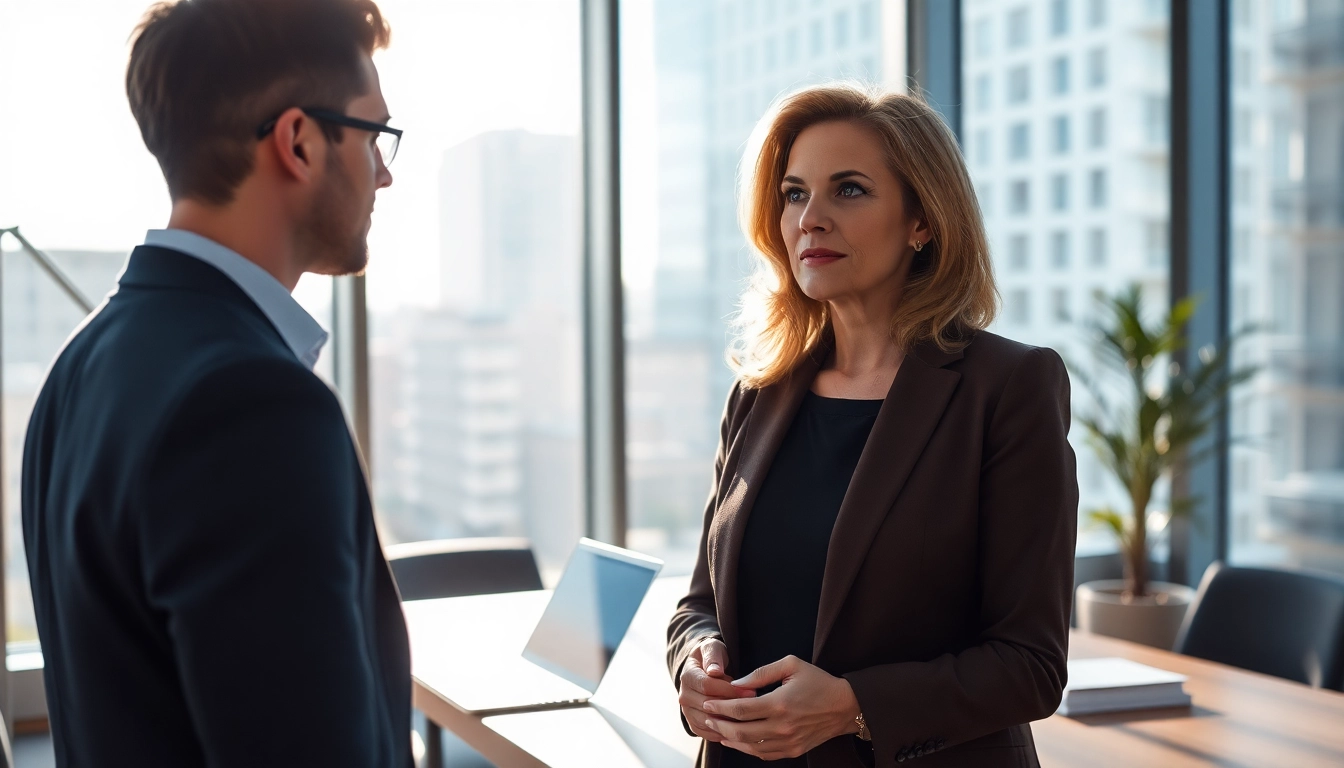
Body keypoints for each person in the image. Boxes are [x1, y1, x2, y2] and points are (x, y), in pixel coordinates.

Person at [21, 1, 411, 765]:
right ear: (299, 141)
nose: (386, 173)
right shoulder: (251, 406)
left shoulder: (80, 365)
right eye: (375, 136)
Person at [667, 83, 1078, 768]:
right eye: (795, 194)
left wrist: (852, 704)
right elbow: (699, 602)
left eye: (848, 191)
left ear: (922, 221)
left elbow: (1030, 663)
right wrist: (693, 660)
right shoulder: (758, 396)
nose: (810, 219)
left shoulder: (1007, 388)